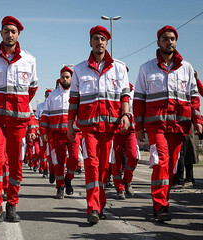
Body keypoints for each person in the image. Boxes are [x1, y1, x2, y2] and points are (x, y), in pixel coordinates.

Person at [133, 26, 202, 222]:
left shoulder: (186, 68)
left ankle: (163, 200)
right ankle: (161, 206)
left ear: (176, 42)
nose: (169, 41)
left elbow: (194, 97)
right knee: (161, 162)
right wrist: (139, 127)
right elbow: (138, 100)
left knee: (170, 167)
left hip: (179, 126)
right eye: (165, 39)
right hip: (156, 126)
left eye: (172, 38)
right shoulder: (146, 69)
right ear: (158, 42)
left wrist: (197, 121)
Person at [67, 26, 130, 224]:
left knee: (103, 169)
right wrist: (70, 124)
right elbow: (74, 100)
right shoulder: (79, 69)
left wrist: (126, 114)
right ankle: (92, 207)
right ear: (90, 43)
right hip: (89, 129)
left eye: (102, 39)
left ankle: (100, 204)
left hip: (110, 128)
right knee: (91, 165)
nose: (99, 42)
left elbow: (124, 95)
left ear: (107, 42)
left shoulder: (119, 68)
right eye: (95, 39)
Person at [0, 16, 38, 227]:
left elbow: (31, 89)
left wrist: (18, 107)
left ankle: (12, 204)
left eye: (13, 31)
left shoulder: (29, 60)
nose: (10, 34)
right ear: (1, 33)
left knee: (15, 163)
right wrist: (1, 106)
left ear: (18, 34)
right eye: (6, 31)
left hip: (18, 121)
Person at [41, 66, 81, 199]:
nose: (65, 79)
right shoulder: (52, 95)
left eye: (67, 77)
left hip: (74, 133)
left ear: (72, 78)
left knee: (75, 158)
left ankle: (69, 178)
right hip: (56, 134)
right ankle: (60, 187)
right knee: (58, 161)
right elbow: (45, 114)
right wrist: (44, 131)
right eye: (63, 77)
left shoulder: (77, 93)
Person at [111, 83, 140, 200]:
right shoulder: (111, 90)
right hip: (115, 131)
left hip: (131, 131)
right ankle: (119, 188)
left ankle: (127, 180)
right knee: (115, 161)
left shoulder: (135, 92)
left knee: (133, 156)